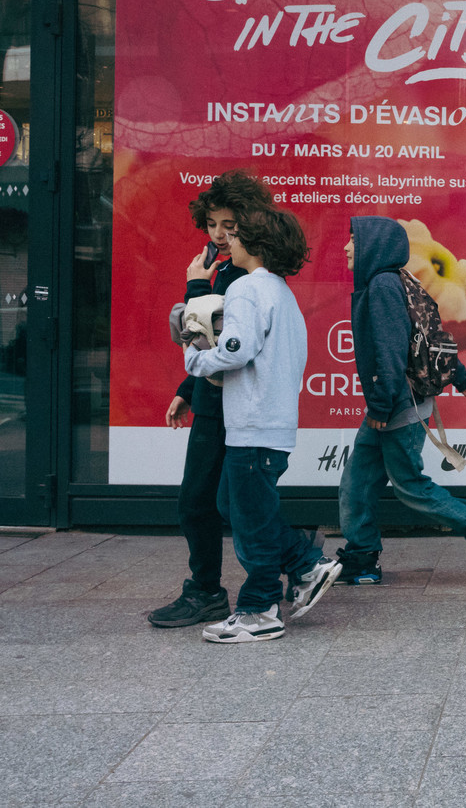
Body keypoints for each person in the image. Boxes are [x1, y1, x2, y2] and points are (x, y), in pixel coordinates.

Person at [336, 216, 466, 583]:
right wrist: (463, 378)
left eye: (354, 240)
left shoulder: (383, 287)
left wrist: (381, 408)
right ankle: (361, 558)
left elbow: (390, 354)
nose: (347, 247)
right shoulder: (402, 282)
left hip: (395, 407)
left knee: (411, 488)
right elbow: (431, 337)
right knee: (357, 482)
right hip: (395, 402)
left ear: (373, 246)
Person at [184, 207, 338, 643]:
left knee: (247, 519)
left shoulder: (248, 289)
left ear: (255, 244)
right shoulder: (279, 291)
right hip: (269, 423)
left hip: (252, 424)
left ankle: (259, 609)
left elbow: (235, 350)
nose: (227, 240)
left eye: (236, 234)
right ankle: (306, 564)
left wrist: (194, 358)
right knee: (235, 507)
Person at [148, 169, 276, 629]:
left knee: (206, 501)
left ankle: (209, 591)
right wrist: (187, 391)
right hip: (212, 400)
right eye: (212, 225)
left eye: (229, 225)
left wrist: (195, 289)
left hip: (232, 405)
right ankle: (290, 560)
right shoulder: (224, 269)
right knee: (214, 500)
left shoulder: (243, 277)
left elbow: (213, 338)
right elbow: (208, 349)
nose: (219, 235)